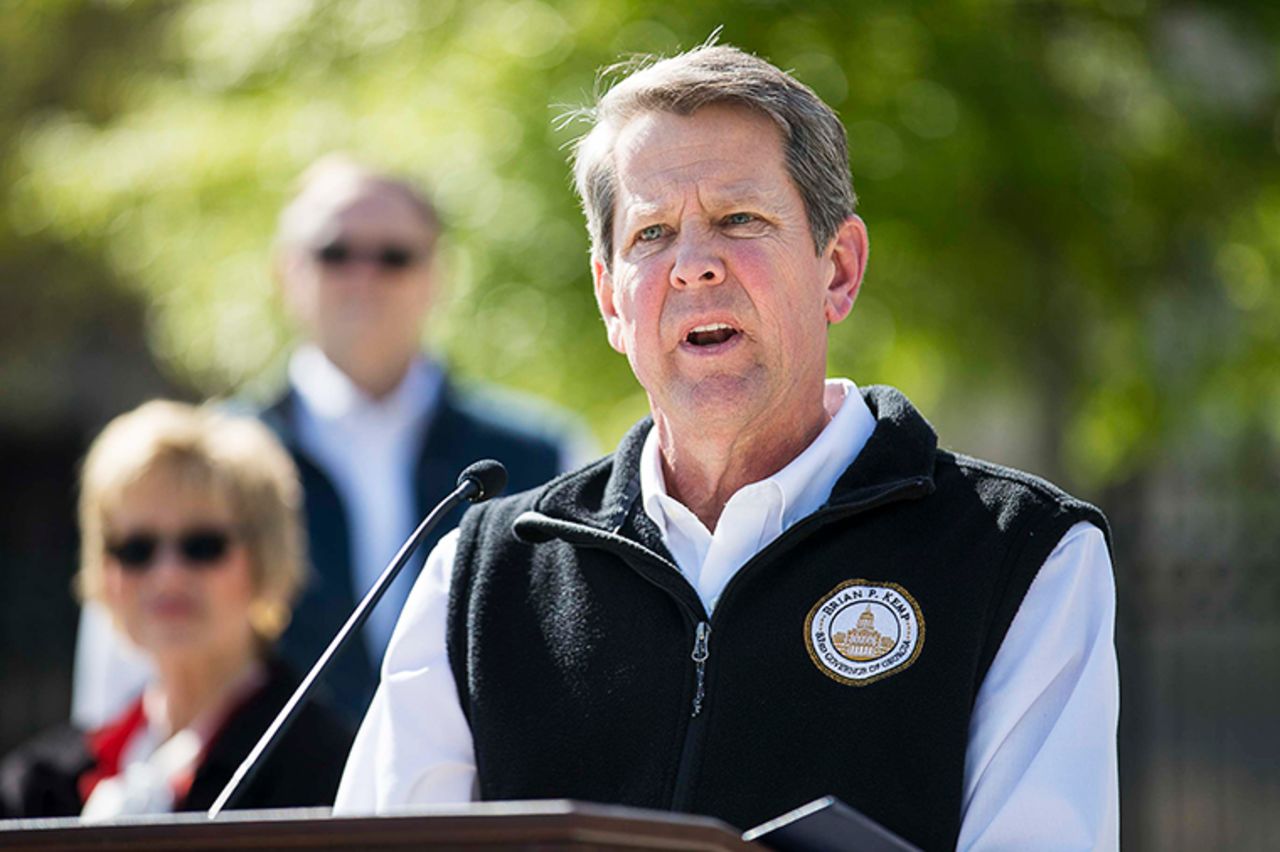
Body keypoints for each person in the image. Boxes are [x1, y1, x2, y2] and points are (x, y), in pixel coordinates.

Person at [334, 43, 1119, 852]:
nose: (694, 267)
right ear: (610, 298)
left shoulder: (1022, 554)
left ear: (838, 269)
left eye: (739, 220)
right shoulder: (476, 574)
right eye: (653, 234)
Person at [72, 157, 593, 727]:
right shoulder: (199, 465)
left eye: (393, 256)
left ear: (437, 275)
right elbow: (116, 703)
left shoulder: (548, 455)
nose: (362, 277)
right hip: (263, 809)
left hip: (484, 806)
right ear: (284, 270)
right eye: (334, 253)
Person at [0, 402, 353, 819]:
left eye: (202, 545)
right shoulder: (41, 786)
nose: (167, 576)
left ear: (264, 558)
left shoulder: (333, 775)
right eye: (135, 549)